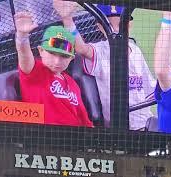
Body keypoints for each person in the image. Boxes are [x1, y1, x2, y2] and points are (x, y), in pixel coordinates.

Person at [53, 0, 156, 130]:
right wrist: (67, 19)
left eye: (121, 24)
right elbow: (81, 48)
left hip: (146, 121)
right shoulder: (100, 50)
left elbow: (150, 90)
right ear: (100, 27)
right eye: (110, 26)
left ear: (129, 25)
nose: (117, 31)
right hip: (121, 126)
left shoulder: (136, 50)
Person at [14, 11, 93, 127]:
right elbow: (24, 53)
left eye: (64, 56)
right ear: (41, 51)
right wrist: (22, 36)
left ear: (71, 58)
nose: (57, 61)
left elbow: (85, 121)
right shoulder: (34, 71)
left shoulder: (73, 84)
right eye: (52, 53)